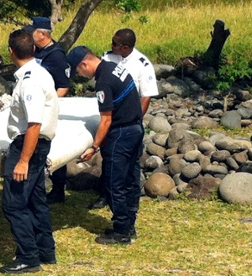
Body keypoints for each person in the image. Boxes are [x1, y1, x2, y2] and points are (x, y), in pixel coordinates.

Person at [66, 46, 144, 245]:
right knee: (129, 179)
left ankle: (121, 231)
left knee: (113, 183)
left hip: (120, 134)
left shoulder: (103, 82)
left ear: (84, 64)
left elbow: (106, 120)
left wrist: (94, 146)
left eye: (78, 71)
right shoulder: (113, 67)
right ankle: (129, 224)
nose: (79, 75)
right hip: (135, 128)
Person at [0, 29, 59, 274]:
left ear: (11, 52)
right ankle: (45, 249)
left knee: (13, 204)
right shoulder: (41, 72)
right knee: (36, 200)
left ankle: (28, 256)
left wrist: (23, 160)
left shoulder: (30, 80)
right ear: (34, 49)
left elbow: (34, 123)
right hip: (36, 144)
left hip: (28, 145)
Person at [88, 28, 159, 210]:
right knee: (109, 158)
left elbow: (146, 96)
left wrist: (134, 119)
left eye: (114, 42)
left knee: (130, 164)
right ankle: (105, 194)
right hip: (110, 116)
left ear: (125, 47)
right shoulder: (108, 57)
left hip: (128, 120)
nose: (111, 45)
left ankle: (131, 201)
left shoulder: (142, 64)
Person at [24, 16, 70, 204]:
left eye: (32, 32)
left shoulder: (56, 55)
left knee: (52, 147)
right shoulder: (37, 52)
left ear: (42, 34)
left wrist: (51, 104)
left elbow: (64, 85)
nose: (29, 35)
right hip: (35, 104)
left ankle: (58, 189)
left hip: (48, 109)